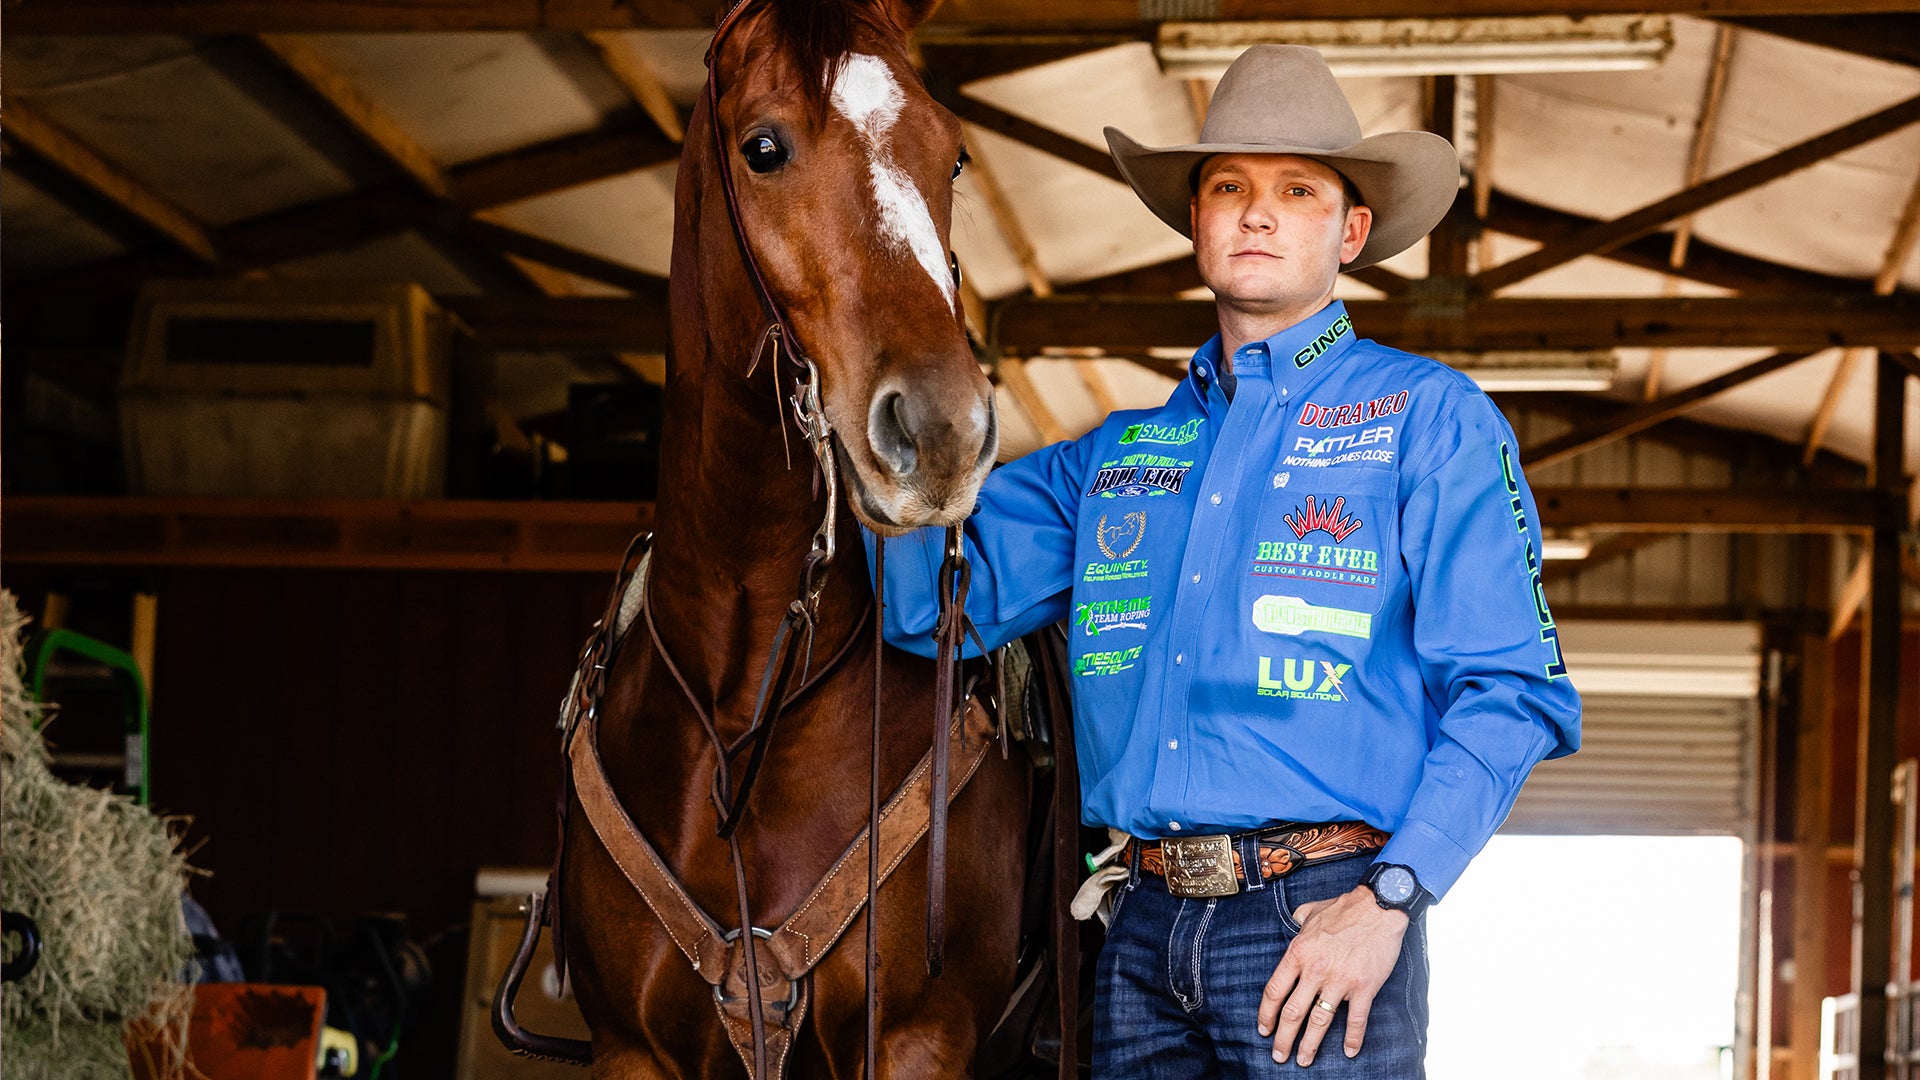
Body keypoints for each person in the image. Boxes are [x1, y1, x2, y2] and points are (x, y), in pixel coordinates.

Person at [866, 45, 1581, 1077]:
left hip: (1321, 920)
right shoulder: (1108, 463)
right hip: (1138, 929)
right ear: (1195, 222)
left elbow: (1515, 692)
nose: (1258, 213)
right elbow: (918, 604)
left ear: (1352, 230)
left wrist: (1388, 902)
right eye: (1230, 187)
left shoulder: (1431, 421)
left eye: (1298, 189)